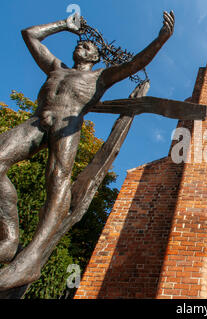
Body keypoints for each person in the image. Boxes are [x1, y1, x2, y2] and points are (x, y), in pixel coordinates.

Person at [0, 11, 174, 289]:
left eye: (89, 46)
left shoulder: (101, 77)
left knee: (58, 181)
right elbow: (29, 34)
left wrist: (161, 39)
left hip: (66, 127)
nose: (83, 45)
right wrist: (64, 25)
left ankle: (30, 259)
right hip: (37, 122)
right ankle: (9, 239)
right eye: (81, 43)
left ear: (96, 58)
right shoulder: (56, 68)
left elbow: (135, 63)